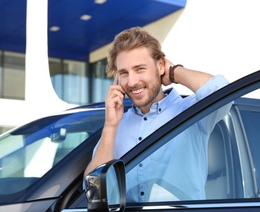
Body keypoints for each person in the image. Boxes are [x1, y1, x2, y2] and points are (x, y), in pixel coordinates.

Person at [85, 27, 230, 202]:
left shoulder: (192, 112)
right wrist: (110, 126)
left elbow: (223, 92)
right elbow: (92, 190)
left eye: (139, 69)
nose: (131, 82)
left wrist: (174, 72)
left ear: (160, 65)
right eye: (124, 73)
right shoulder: (116, 126)